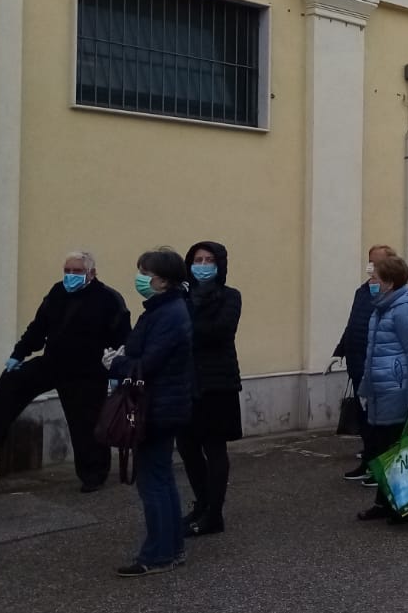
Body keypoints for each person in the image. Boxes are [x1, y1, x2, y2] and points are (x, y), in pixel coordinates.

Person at [0, 250, 128, 493]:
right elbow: (39, 327)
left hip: (86, 373)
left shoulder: (109, 299)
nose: (70, 276)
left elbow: (121, 338)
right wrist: (19, 353)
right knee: (13, 381)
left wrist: (115, 372)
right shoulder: (57, 292)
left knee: (85, 424)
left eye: (76, 271)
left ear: (92, 273)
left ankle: (93, 474)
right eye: (67, 271)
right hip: (53, 362)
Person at [105, 248, 194, 577]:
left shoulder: (168, 313)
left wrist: (116, 364)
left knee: (153, 482)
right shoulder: (164, 309)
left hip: (156, 407)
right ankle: (172, 549)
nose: (140, 278)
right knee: (162, 478)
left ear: (164, 281)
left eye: (146, 272)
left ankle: (158, 555)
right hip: (161, 405)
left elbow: (149, 364)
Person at [355, 253, 408, 526]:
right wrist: (365, 387)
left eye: (375, 277)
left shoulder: (405, 310)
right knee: (382, 449)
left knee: (399, 450)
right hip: (380, 391)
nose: (371, 281)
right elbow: (374, 352)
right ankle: (384, 502)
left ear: (388, 281)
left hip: (398, 390)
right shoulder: (382, 308)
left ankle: (407, 506)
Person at [177, 242, 243, 538]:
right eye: (197, 260)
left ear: (220, 265)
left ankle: (214, 514)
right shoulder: (181, 295)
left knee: (214, 447)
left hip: (218, 383)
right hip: (185, 382)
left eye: (209, 260)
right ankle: (201, 504)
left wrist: (186, 326)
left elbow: (220, 331)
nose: (202, 265)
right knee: (187, 446)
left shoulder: (230, 296)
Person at [335, 244, 395, 483]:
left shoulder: (392, 293)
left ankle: (379, 466)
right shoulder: (363, 290)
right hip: (357, 361)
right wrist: (341, 349)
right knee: (364, 417)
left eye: (376, 262)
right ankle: (368, 460)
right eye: (369, 261)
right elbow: (354, 322)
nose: (371, 266)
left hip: (378, 366)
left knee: (378, 419)